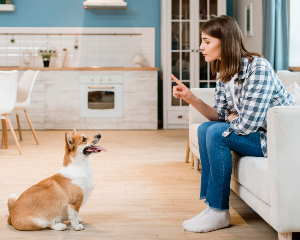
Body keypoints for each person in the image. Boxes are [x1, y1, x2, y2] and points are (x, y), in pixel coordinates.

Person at [171, 15, 296, 233]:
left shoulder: (258, 68)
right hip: (258, 133)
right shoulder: (223, 72)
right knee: (205, 129)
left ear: (226, 41)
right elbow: (218, 115)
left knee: (217, 134)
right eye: (202, 41)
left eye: (207, 41)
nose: (201, 47)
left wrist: (230, 117)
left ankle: (220, 212)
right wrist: (191, 97)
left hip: (278, 139)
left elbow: (246, 125)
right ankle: (212, 207)